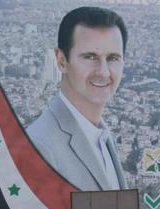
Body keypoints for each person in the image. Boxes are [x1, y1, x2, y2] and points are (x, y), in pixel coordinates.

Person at [26, 6, 128, 191]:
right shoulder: (39, 147)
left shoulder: (102, 136)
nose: (103, 72)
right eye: (90, 57)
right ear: (62, 61)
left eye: (113, 58)